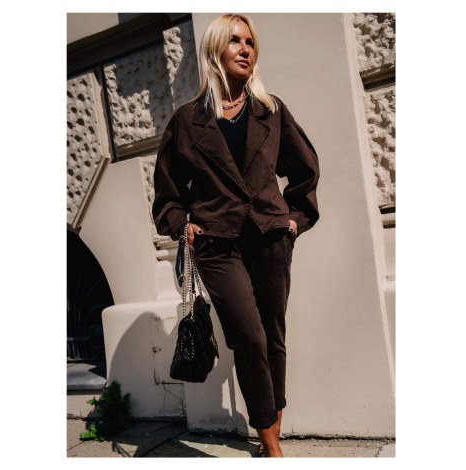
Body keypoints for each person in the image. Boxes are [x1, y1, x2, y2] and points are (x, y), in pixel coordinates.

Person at [153, 13, 320, 458]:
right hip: (217, 243)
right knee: (249, 336)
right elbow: (167, 192)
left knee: (273, 337)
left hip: (269, 238)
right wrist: (180, 223)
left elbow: (305, 170)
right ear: (214, 50)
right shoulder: (188, 121)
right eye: (234, 41)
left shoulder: (271, 110)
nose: (245, 49)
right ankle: (272, 447)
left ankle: (270, 434)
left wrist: (294, 220)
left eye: (249, 41)